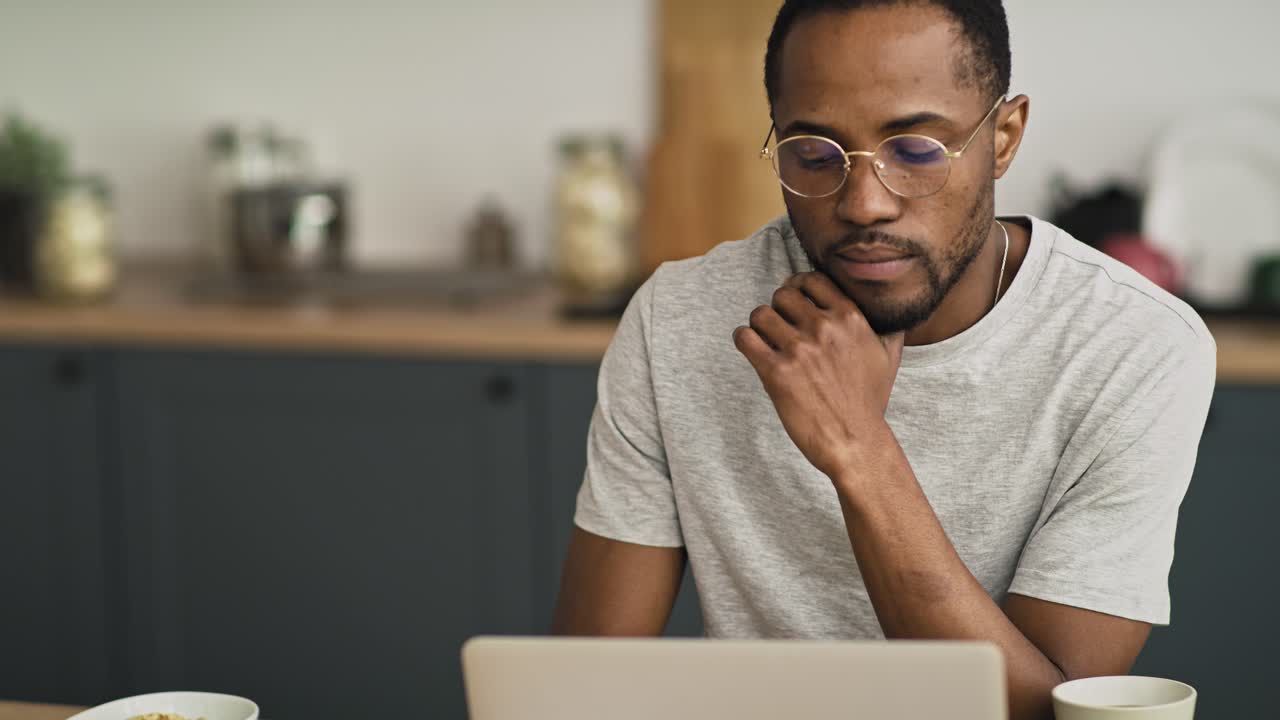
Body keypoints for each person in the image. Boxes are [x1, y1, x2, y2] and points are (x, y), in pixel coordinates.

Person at [552, 2, 1216, 718]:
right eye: (813, 154)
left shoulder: (1133, 346)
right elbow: (582, 690)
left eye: (916, 152)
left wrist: (859, 450)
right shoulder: (679, 319)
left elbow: (1044, 712)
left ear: (1003, 136)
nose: (864, 203)